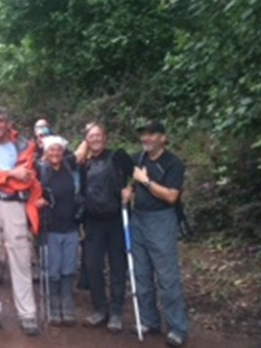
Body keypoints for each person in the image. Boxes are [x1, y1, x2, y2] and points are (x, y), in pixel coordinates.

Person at [0, 106, 42, 336]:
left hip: (14, 204)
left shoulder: (24, 145)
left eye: (0, 120)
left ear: (8, 122)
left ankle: (27, 314)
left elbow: (25, 181)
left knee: (20, 257)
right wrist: (11, 174)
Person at [128, 120, 189, 347]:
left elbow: (172, 196)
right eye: (144, 134)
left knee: (167, 277)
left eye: (152, 134)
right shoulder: (138, 159)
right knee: (141, 274)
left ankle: (177, 328)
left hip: (162, 220)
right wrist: (128, 190)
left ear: (163, 137)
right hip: (138, 219)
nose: (146, 138)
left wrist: (146, 181)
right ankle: (149, 321)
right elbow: (130, 185)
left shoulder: (173, 163)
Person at [80, 122, 133, 332]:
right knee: (93, 266)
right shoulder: (85, 164)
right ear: (87, 140)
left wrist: (130, 190)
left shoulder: (118, 157)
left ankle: (117, 312)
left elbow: (137, 174)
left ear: (105, 137)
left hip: (116, 219)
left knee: (118, 265)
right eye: (91, 136)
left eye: (98, 135)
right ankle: (99, 309)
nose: (95, 139)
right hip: (93, 221)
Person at [35, 136, 81, 326]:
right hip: (50, 228)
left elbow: (83, 147)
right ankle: (54, 307)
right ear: (45, 152)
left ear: (63, 152)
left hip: (71, 225)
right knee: (53, 270)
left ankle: (67, 305)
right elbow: (30, 192)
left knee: (69, 269)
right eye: (51, 150)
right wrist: (37, 202)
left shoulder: (70, 169)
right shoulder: (40, 171)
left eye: (58, 150)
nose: (55, 153)